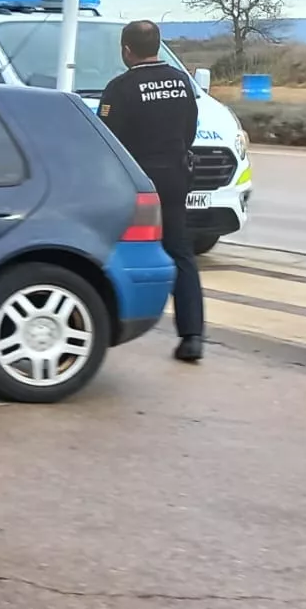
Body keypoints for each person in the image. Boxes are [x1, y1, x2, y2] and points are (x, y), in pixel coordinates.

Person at [98, 19, 205, 363]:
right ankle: (192, 337)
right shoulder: (181, 82)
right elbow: (189, 131)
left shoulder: (120, 88)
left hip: (136, 184)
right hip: (175, 179)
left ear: (126, 50)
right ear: (157, 46)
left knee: (108, 250)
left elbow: (108, 141)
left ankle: (106, 325)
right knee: (181, 253)